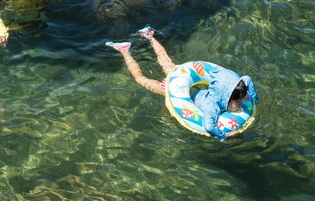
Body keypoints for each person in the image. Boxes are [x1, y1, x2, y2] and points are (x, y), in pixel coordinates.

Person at [107, 27, 258, 141]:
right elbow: (209, 126)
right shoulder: (212, 107)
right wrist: (223, 136)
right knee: (141, 79)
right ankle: (125, 51)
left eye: (242, 98)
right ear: (224, 98)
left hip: (183, 79)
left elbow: (247, 79)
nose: (242, 103)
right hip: (172, 89)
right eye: (238, 101)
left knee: (166, 62)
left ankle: (148, 35)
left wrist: (253, 96)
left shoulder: (234, 89)